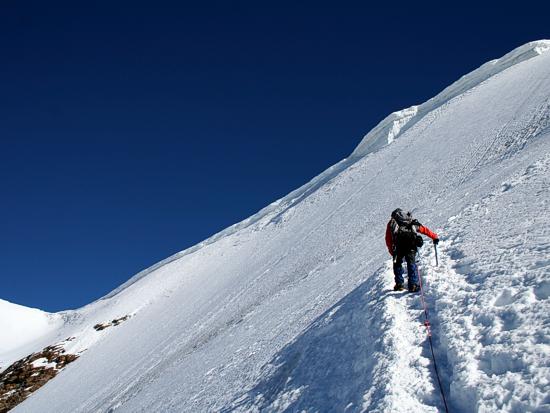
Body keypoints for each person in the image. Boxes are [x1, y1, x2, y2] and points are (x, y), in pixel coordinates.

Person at [385, 208, 439, 292]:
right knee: (411, 263)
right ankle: (413, 284)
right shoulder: (410, 220)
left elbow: (388, 239)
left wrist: (391, 251)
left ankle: (399, 284)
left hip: (398, 247)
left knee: (397, 264)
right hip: (411, 245)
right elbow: (423, 229)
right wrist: (434, 236)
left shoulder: (392, 223)